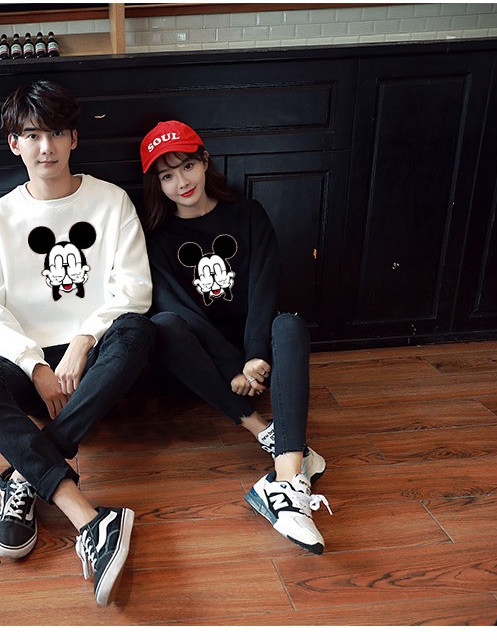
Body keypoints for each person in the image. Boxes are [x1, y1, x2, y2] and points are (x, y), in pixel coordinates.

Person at [0, 80, 154, 605]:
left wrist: (84, 339)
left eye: (56, 133)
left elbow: (135, 290)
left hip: (97, 357)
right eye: (32, 135)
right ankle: (84, 515)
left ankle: (25, 475)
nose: (46, 147)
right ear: (14, 144)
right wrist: (35, 367)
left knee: (138, 331)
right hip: (31, 360)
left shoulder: (111, 202)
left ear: (73, 139)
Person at [139, 120, 331, 554]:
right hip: (201, 365)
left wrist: (254, 356)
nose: (181, 182)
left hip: (254, 357)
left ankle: (287, 479)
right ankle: (265, 431)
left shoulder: (248, 214)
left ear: (205, 161)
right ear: (157, 184)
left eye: (187, 166)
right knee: (164, 324)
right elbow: (178, 309)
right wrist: (232, 367)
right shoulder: (157, 238)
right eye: (167, 176)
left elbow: (265, 287)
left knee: (289, 323)